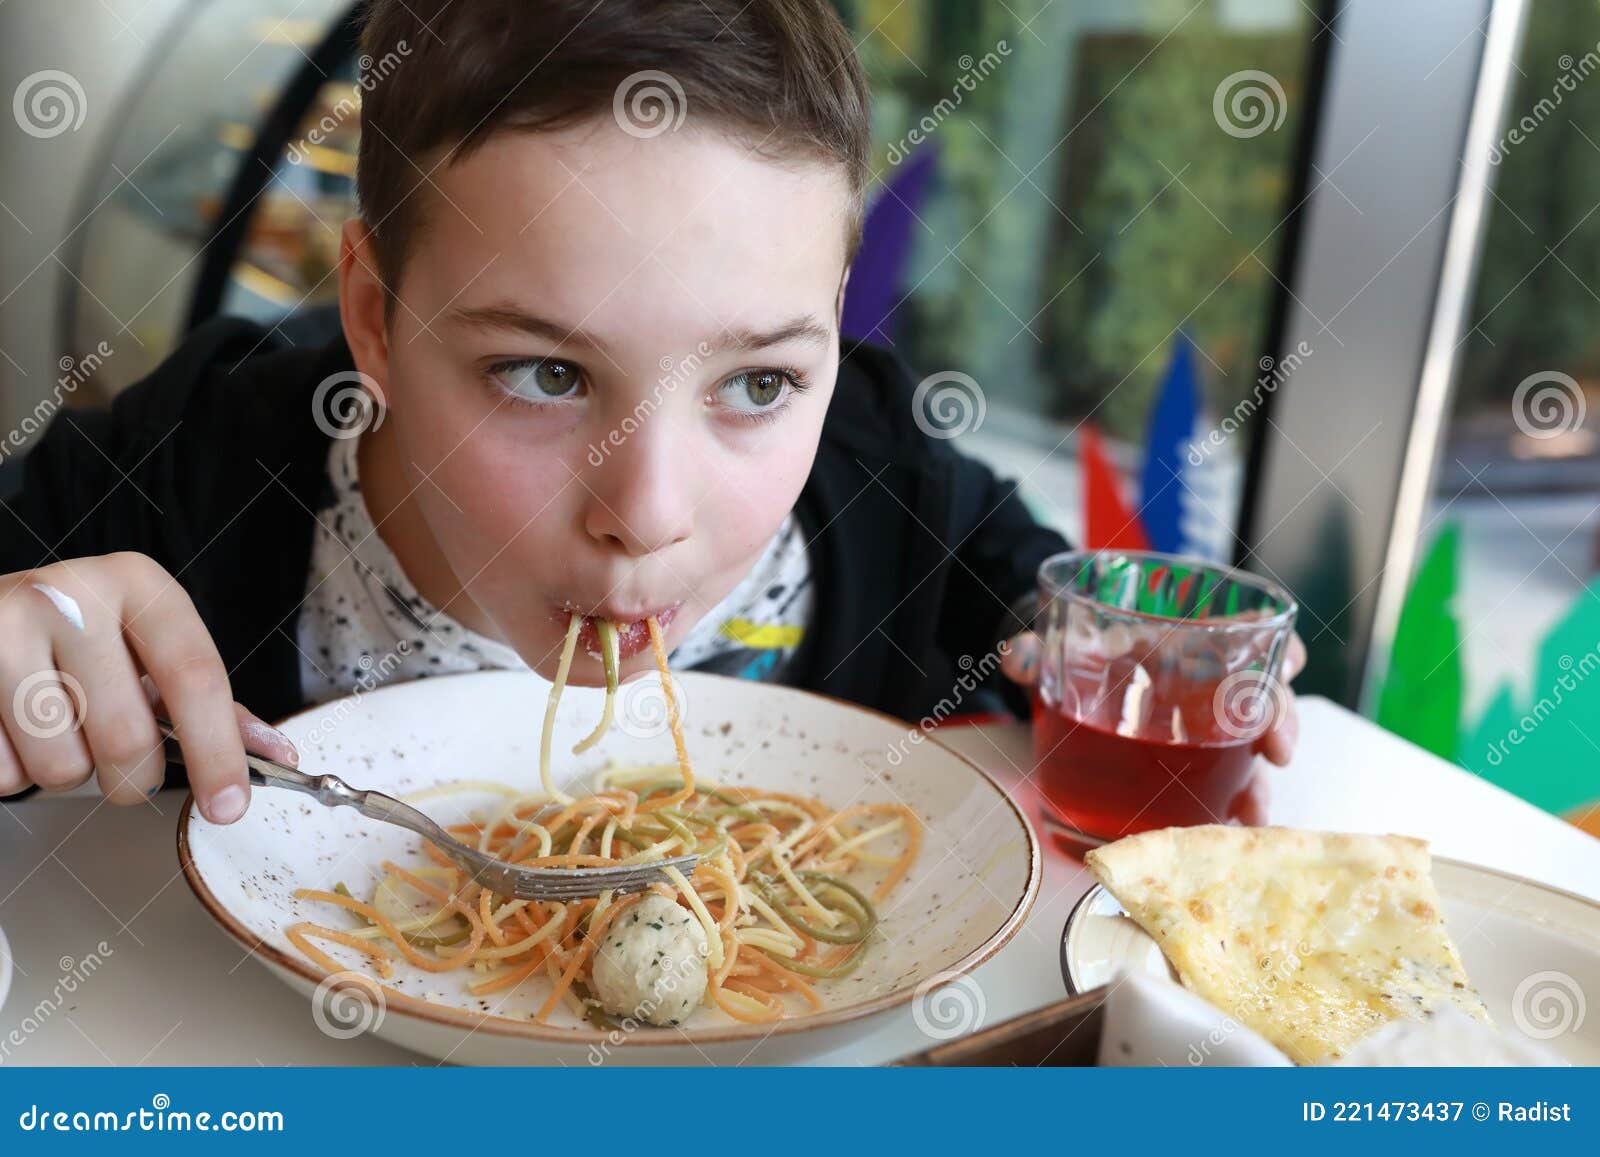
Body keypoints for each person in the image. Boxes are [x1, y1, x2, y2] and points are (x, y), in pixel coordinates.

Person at [0, 0, 1298, 825]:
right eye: (545, 374)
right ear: (375, 319)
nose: (650, 517)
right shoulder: (196, 465)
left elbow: (1030, 586)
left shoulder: (875, 469)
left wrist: (1126, 653)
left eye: (757, 384)